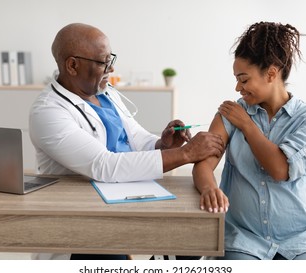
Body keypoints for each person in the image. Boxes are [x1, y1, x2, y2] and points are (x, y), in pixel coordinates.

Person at [29, 23, 225, 260]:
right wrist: (186, 154)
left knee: (188, 242)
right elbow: (104, 165)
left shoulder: (105, 93)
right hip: (82, 220)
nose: (112, 68)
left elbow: (135, 138)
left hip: (126, 195)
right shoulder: (48, 111)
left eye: (111, 59)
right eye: (103, 62)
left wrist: (161, 144)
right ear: (72, 65)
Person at [192, 22, 306, 260]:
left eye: (244, 80)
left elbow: (280, 169)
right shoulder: (230, 113)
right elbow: (204, 164)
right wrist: (209, 188)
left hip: (302, 240)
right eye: (236, 79)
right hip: (243, 239)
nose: (238, 87)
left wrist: (246, 124)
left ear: (272, 73)